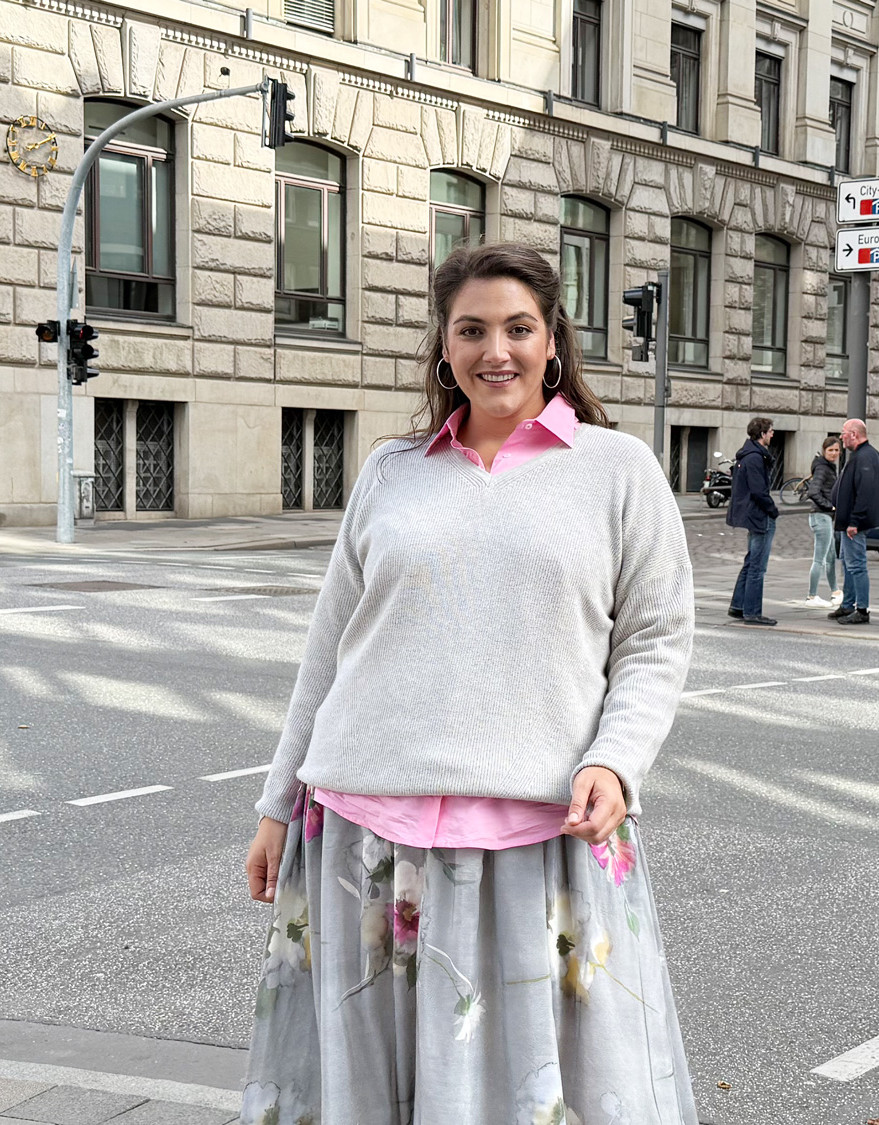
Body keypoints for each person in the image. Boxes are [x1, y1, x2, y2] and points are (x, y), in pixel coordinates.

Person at [242, 243, 698, 1125]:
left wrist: (618, 758)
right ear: (444, 349)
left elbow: (655, 637)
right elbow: (331, 645)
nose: (498, 350)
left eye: (518, 328)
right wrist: (274, 802)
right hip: (362, 827)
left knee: (543, 1085)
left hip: (540, 830)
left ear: (552, 340)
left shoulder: (617, 470)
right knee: (370, 1083)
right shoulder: (391, 470)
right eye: (473, 330)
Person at [830, 419, 879, 625]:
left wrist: (854, 521)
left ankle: (862, 609)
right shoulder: (863, 455)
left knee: (856, 565)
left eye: (844, 433)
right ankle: (848, 604)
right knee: (848, 563)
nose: (841, 436)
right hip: (849, 521)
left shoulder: (865, 456)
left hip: (854, 523)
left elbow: (865, 492)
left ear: (854, 434)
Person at [726, 417, 780, 626]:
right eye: (771, 431)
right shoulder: (756, 457)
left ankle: (738, 605)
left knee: (750, 562)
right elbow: (759, 491)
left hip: (751, 514)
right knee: (757, 565)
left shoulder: (748, 454)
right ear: (762, 434)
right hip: (759, 516)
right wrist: (773, 511)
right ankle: (752, 611)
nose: (773, 434)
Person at [803, 436, 843, 608]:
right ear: (824, 450)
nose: (834, 453)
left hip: (824, 516)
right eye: (830, 450)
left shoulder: (828, 467)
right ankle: (812, 597)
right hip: (821, 516)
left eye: (836, 450)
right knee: (819, 559)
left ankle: (835, 592)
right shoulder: (822, 468)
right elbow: (813, 492)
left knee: (831, 557)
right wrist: (831, 507)